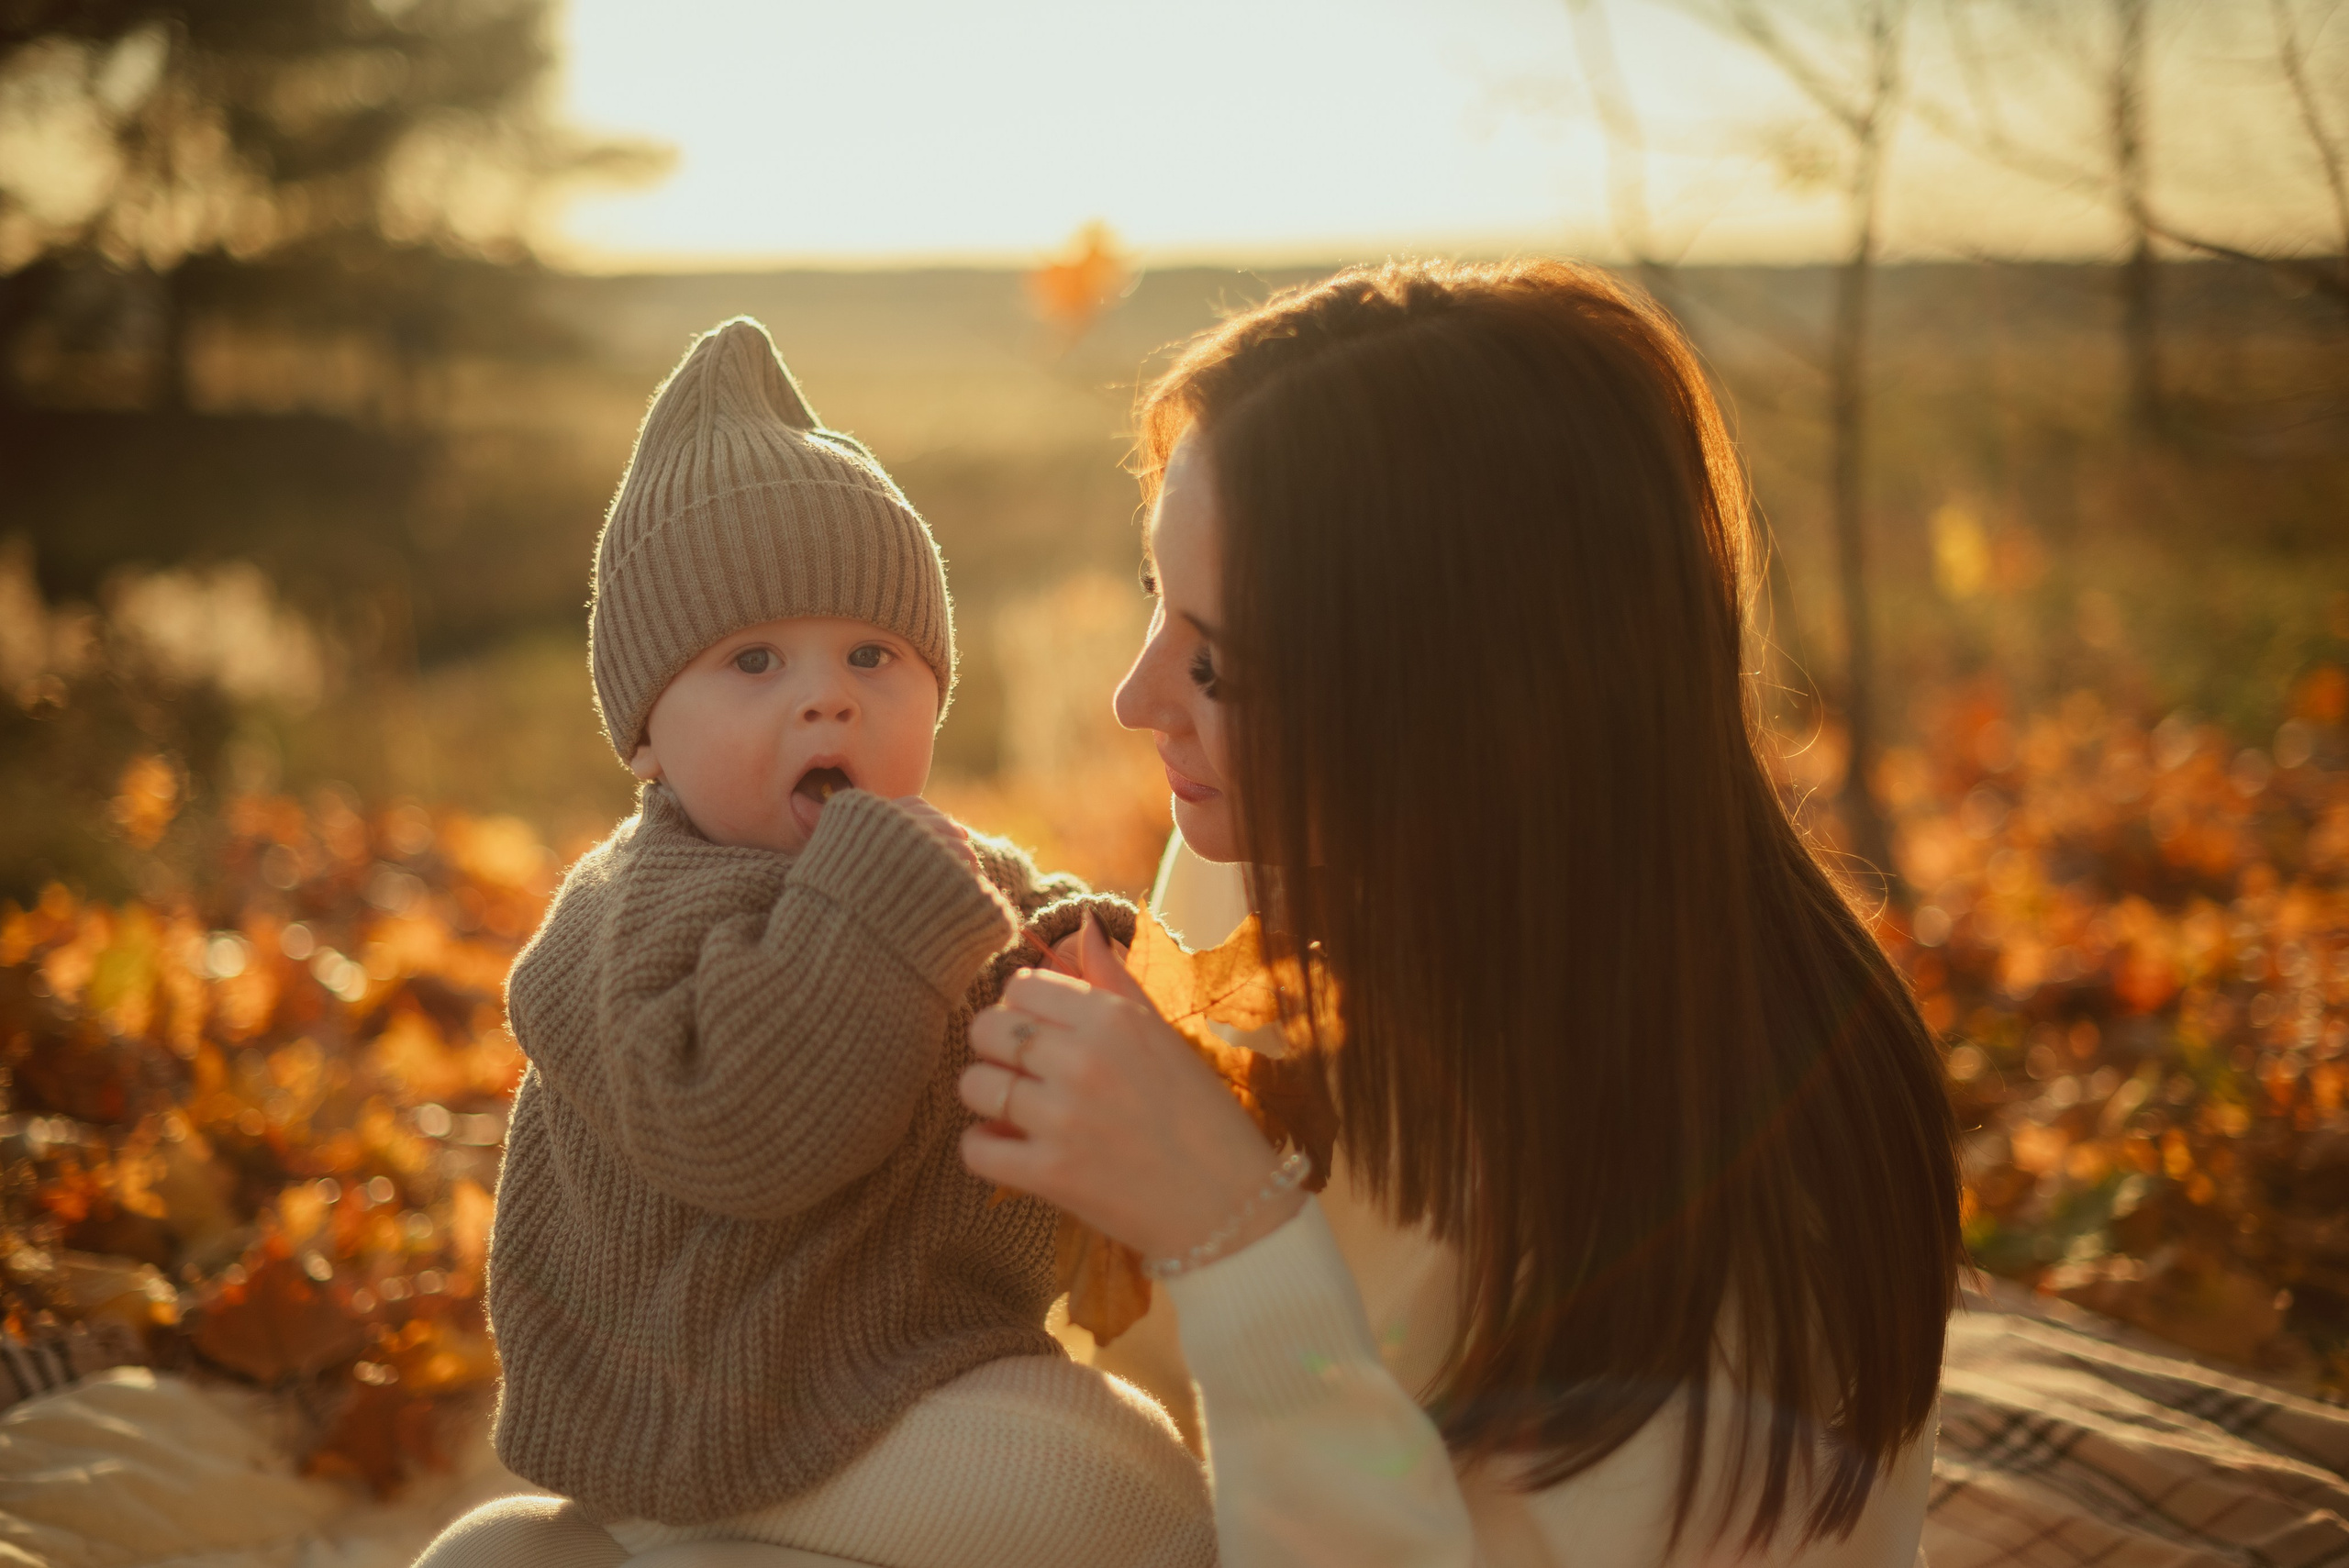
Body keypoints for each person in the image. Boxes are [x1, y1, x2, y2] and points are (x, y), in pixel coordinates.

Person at [959, 260, 1964, 1567]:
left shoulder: (1734, 1217)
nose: (1134, 699)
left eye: (1217, 666)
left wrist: (1234, 1236)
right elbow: (1134, 1387)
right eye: (1159, 601)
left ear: (1450, 716)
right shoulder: (1270, 860)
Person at [416, 318, 1211, 1568]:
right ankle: (651, 1538)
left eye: (872, 655)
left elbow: (1015, 932)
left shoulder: (935, 863)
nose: (827, 695)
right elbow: (738, 1128)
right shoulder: (630, 914)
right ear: (645, 736)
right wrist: (886, 911)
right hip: (705, 1400)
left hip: (901, 1370)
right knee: (1141, 1509)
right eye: (754, 661)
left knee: (1147, 1469)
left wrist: (1078, 950)